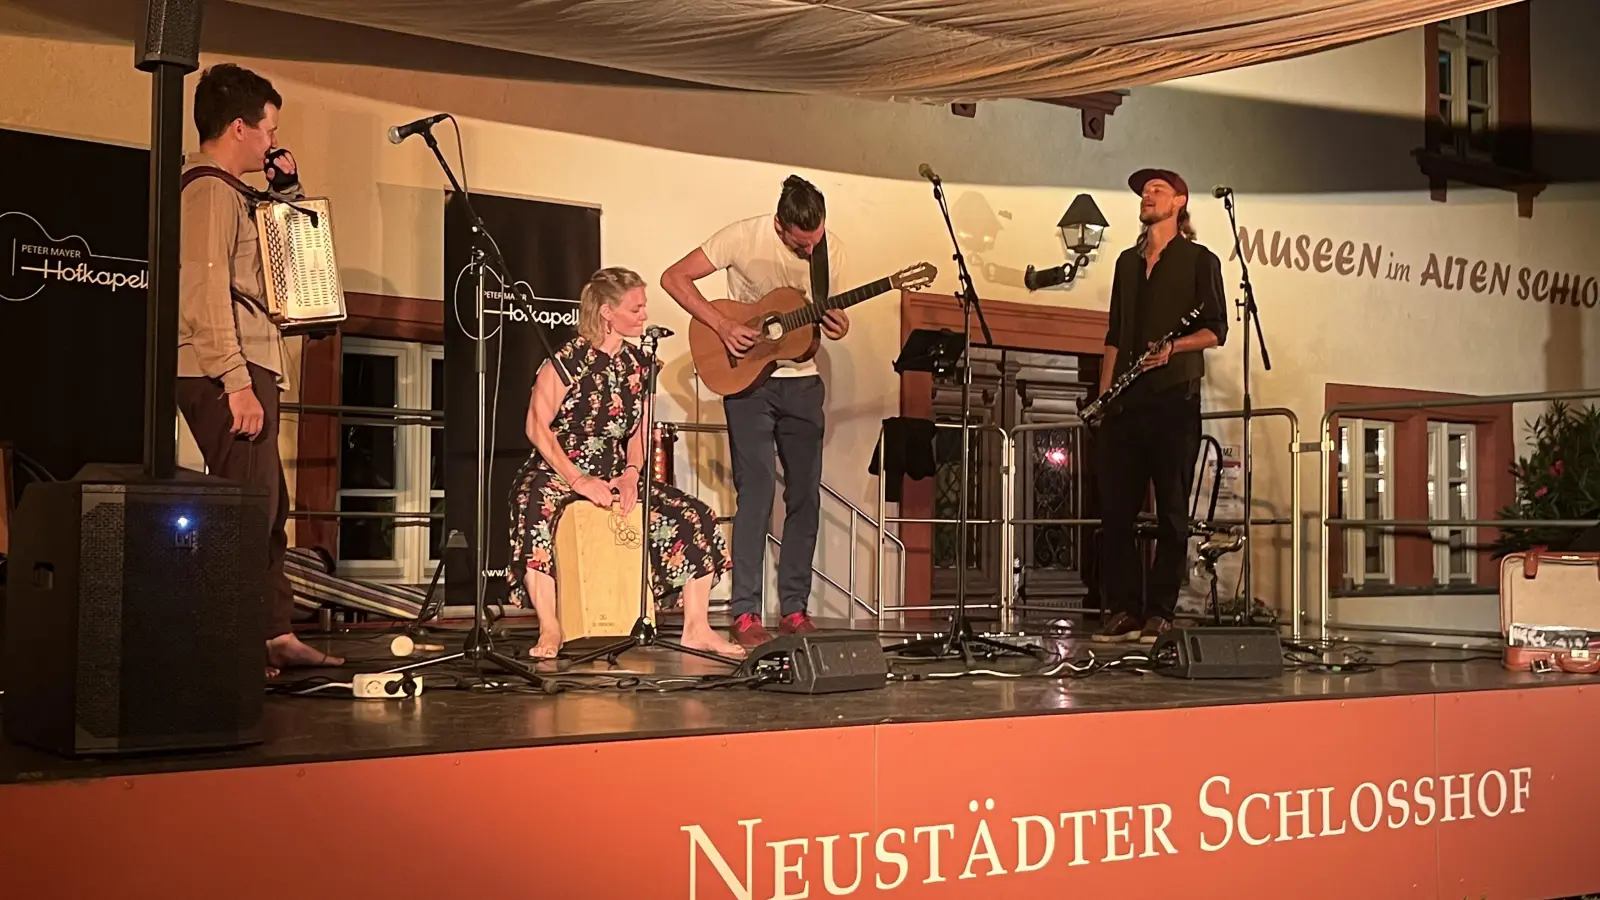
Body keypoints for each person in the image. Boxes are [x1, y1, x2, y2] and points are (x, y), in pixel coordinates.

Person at [176, 63, 343, 676]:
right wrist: (236, 381)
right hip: (228, 368)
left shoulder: (241, 194)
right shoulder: (209, 191)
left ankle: (272, 633)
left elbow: (285, 268)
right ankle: (233, 645)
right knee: (246, 508)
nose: (272, 141)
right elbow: (205, 291)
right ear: (240, 127)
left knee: (268, 506)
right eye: (268, 130)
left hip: (252, 362)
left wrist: (289, 195)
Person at [507, 267, 745, 660]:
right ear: (606, 313)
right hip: (559, 468)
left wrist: (633, 474)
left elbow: (639, 431)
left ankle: (697, 628)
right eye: (636, 308)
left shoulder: (640, 364)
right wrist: (578, 479)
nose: (644, 316)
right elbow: (536, 426)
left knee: (695, 516)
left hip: (615, 469)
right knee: (533, 508)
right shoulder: (566, 361)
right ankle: (550, 625)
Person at [660, 175, 848, 649]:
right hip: (748, 384)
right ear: (782, 226)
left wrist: (836, 324)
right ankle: (745, 611)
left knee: (805, 495)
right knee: (757, 491)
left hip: (801, 383)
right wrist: (721, 324)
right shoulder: (742, 236)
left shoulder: (831, 251)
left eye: (816, 242)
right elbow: (673, 277)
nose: (810, 252)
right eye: (802, 245)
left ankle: (794, 608)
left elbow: (817, 327)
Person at [1093, 168, 1229, 645]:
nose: (1147, 196)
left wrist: (1174, 348)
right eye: (1144, 191)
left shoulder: (1199, 260)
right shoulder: (1126, 265)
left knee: (1172, 511)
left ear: (1178, 203)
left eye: (1157, 191)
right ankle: (1125, 609)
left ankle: (1161, 611)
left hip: (1174, 398)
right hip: (1126, 405)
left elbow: (1217, 329)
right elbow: (1114, 335)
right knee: (1116, 513)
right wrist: (1104, 396)